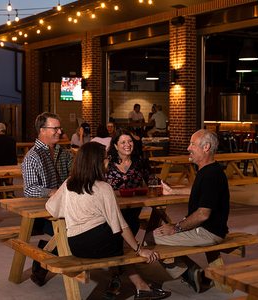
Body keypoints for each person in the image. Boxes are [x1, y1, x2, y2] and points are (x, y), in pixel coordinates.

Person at [46, 142, 171, 300]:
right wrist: (140, 250)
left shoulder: (69, 183)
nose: (108, 162)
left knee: (118, 240)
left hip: (76, 245)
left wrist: (74, 210)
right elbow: (119, 225)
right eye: (105, 159)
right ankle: (141, 287)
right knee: (124, 237)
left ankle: (141, 286)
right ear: (95, 163)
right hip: (99, 244)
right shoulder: (103, 188)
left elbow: (52, 209)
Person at [147, 129, 229, 293]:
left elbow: (202, 214)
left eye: (192, 144)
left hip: (208, 232)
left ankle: (189, 273)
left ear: (206, 147)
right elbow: (199, 191)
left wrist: (176, 227)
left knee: (151, 238)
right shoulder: (207, 170)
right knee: (158, 231)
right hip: (207, 229)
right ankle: (193, 273)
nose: (188, 148)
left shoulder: (211, 174)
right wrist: (173, 192)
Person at [21, 112, 72, 286]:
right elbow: (29, 190)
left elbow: (74, 174)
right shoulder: (32, 157)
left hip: (66, 205)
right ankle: (43, 258)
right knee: (69, 234)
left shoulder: (63, 153)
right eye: (55, 128)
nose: (60, 131)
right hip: (44, 210)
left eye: (60, 128)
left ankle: (45, 253)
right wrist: (52, 192)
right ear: (42, 130)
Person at [106, 129, 150, 235]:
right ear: (116, 146)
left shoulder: (140, 163)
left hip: (133, 210)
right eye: (123, 142)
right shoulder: (107, 164)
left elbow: (152, 182)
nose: (128, 145)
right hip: (112, 211)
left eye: (130, 141)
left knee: (133, 223)